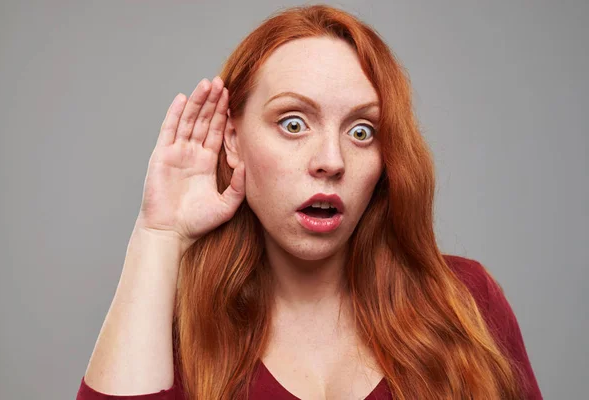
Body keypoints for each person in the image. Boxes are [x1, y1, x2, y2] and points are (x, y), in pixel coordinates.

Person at [76, 4, 542, 400]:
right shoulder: (165, 330)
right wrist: (158, 233)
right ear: (233, 140)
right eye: (293, 123)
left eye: (362, 132)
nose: (331, 161)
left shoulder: (464, 302)